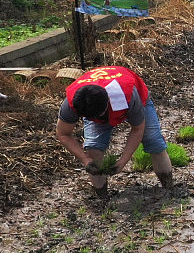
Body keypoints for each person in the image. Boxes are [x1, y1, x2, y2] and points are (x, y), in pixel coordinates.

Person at [55, 65, 172, 194]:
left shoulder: (128, 95)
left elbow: (138, 129)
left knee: (153, 140)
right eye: (89, 117)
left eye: (98, 115)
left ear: (108, 102)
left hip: (132, 96)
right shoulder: (74, 102)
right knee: (93, 149)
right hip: (95, 101)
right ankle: (103, 199)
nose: (95, 118)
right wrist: (85, 160)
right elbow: (63, 134)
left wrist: (122, 162)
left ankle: (168, 189)